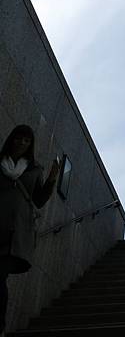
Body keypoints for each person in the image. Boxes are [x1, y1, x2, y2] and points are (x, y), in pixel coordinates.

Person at [0, 125, 60, 337]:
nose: (22, 143)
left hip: (16, 233)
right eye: (19, 139)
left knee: (0, 277)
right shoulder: (0, 163)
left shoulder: (34, 169)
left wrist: (52, 179)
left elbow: (39, 200)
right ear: (11, 139)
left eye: (26, 141)